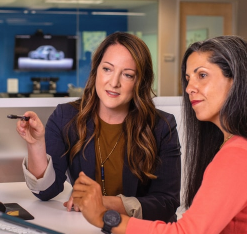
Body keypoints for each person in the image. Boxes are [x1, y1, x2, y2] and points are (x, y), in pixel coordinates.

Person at [71, 35, 247, 234]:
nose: (190, 88)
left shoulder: (240, 154)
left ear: (236, 81)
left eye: (202, 75)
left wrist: (104, 218)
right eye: (188, 78)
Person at [15, 32, 181, 222]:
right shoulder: (66, 117)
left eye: (127, 75)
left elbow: (166, 203)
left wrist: (102, 202)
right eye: (107, 69)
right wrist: (36, 144)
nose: (114, 82)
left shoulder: (162, 126)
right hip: (88, 231)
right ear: (96, 71)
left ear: (139, 82)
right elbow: (45, 191)